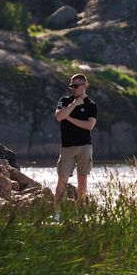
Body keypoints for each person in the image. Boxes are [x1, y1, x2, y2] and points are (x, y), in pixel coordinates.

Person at [53, 73, 97, 203]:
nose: (72, 88)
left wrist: (70, 118)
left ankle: (80, 212)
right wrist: (74, 104)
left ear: (84, 86)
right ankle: (57, 213)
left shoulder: (91, 105)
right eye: (71, 86)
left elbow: (89, 126)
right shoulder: (65, 100)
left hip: (85, 146)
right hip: (67, 146)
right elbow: (59, 116)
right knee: (62, 179)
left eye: (75, 86)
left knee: (82, 181)